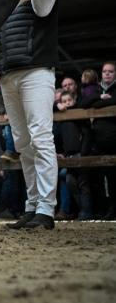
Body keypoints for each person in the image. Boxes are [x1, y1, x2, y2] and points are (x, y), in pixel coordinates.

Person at [0, 0, 61, 230]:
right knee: (22, 142)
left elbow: (43, 9)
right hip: (7, 72)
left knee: (40, 138)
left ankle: (46, 209)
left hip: (36, 68)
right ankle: (32, 206)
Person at [79, 61, 116, 219]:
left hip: (114, 138)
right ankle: (103, 209)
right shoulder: (96, 89)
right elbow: (83, 103)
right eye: (105, 71)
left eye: (111, 71)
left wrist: (98, 103)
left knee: (114, 178)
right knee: (100, 178)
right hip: (98, 139)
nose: (107, 74)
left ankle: (113, 210)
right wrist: (100, 97)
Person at [55, 91, 92, 220]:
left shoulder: (78, 114)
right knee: (70, 181)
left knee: (83, 183)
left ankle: (86, 212)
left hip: (80, 154)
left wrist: (83, 152)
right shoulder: (62, 118)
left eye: (69, 101)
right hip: (69, 156)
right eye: (64, 102)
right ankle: (82, 210)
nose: (67, 104)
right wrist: (63, 153)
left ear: (74, 100)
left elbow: (86, 134)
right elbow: (64, 140)